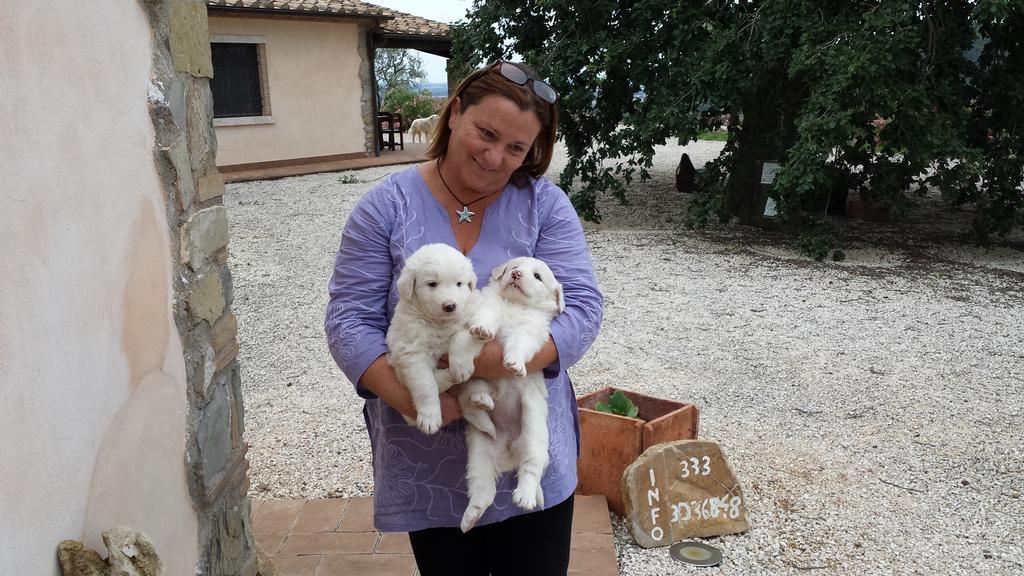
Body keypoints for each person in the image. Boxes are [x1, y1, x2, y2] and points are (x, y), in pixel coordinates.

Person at [324, 61, 603, 576]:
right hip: (426, 452)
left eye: (516, 148)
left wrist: (481, 364)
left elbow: (581, 309)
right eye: (486, 132)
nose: (496, 157)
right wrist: (413, 395)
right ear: (454, 113)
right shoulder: (383, 208)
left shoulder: (546, 207)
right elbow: (347, 319)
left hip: (527, 439)